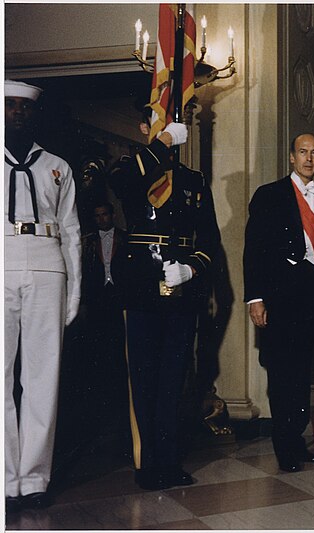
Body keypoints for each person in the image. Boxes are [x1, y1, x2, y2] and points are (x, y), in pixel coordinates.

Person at [108, 116, 221, 490]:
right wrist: (163, 144)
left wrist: (192, 269)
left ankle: (170, 460)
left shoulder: (193, 181)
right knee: (142, 375)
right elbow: (123, 186)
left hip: (179, 286)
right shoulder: (129, 167)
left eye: (173, 125)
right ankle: (147, 463)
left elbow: (209, 237)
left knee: (174, 376)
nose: (168, 131)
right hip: (140, 284)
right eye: (157, 123)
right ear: (144, 127)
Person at [5, 80, 81, 512]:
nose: (17, 113)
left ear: (34, 115)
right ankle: (4, 478)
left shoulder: (57, 166)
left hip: (48, 264)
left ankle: (33, 479)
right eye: (9, 106)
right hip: (2, 261)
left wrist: (73, 290)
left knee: (42, 377)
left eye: (24, 107)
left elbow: (71, 232)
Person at [243, 133, 314, 473]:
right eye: (303, 152)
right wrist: (256, 297)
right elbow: (253, 249)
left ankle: (296, 440)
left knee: (301, 373)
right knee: (282, 372)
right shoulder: (269, 195)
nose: (309, 158)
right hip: (279, 298)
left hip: (312, 296)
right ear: (291, 158)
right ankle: (283, 445)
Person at [78, 201, 129, 444]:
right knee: (96, 358)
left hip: (119, 303)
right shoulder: (87, 241)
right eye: (97, 216)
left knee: (119, 357)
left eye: (104, 214)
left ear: (112, 215)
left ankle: (121, 422)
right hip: (97, 303)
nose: (101, 219)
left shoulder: (125, 238)